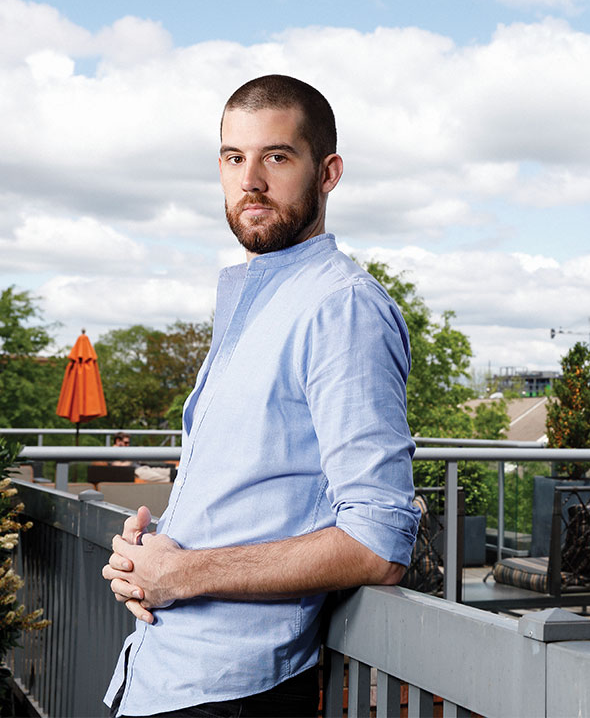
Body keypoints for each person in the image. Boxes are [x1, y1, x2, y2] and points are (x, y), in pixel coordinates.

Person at [101, 75, 419, 717]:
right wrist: (151, 554)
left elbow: (378, 540)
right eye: (232, 157)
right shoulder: (250, 298)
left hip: (233, 692)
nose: (250, 180)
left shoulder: (343, 309)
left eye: (276, 156)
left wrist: (183, 574)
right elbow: (257, 496)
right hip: (165, 671)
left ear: (327, 172)